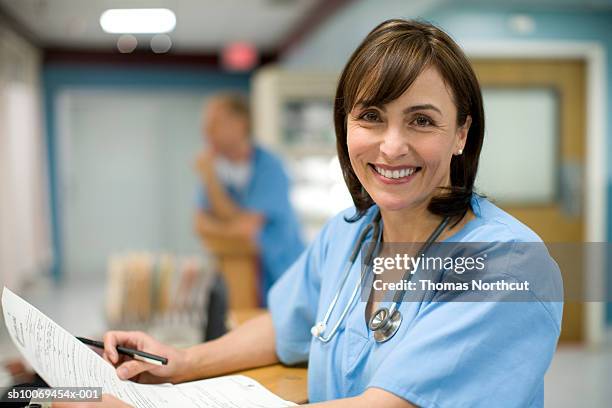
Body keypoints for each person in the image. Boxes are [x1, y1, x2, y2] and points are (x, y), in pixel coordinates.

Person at [55, 19, 562, 407]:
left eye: (421, 121)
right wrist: (180, 362)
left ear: (461, 134)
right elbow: (287, 325)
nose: (391, 146)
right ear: (345, 125)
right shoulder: (349, 234)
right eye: (371, 116)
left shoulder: (508, 265)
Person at [193, 92, 304, 301]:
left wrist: (221, 225)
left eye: (215, 123)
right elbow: (199, 225)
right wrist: (234, 226)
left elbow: (245, 229)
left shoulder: (269, 167)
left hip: (280, 274)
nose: (206, 131)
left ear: (240, 124)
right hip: (239, 278)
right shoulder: (213, 169)